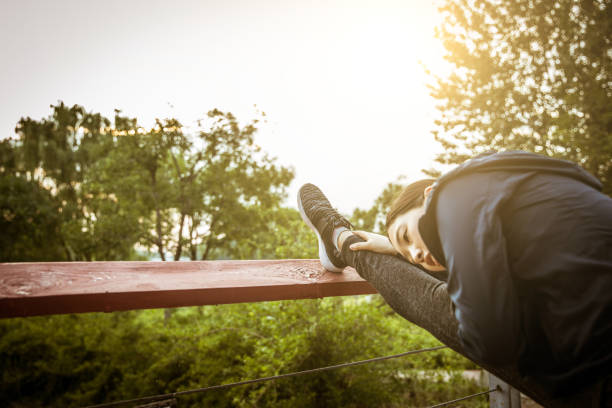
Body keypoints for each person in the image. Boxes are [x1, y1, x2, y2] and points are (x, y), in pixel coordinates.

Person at [297, 150, 612, 408]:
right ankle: (341, 239)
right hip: (592, 361)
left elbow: (492, 340)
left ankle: (337, 235)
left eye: (406, 235)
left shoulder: (453, 196)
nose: (415, 255)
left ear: (428, 193)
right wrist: (400, 247)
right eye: (406, 253)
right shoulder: (509, 185)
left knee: (439, 304)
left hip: (596, 372)